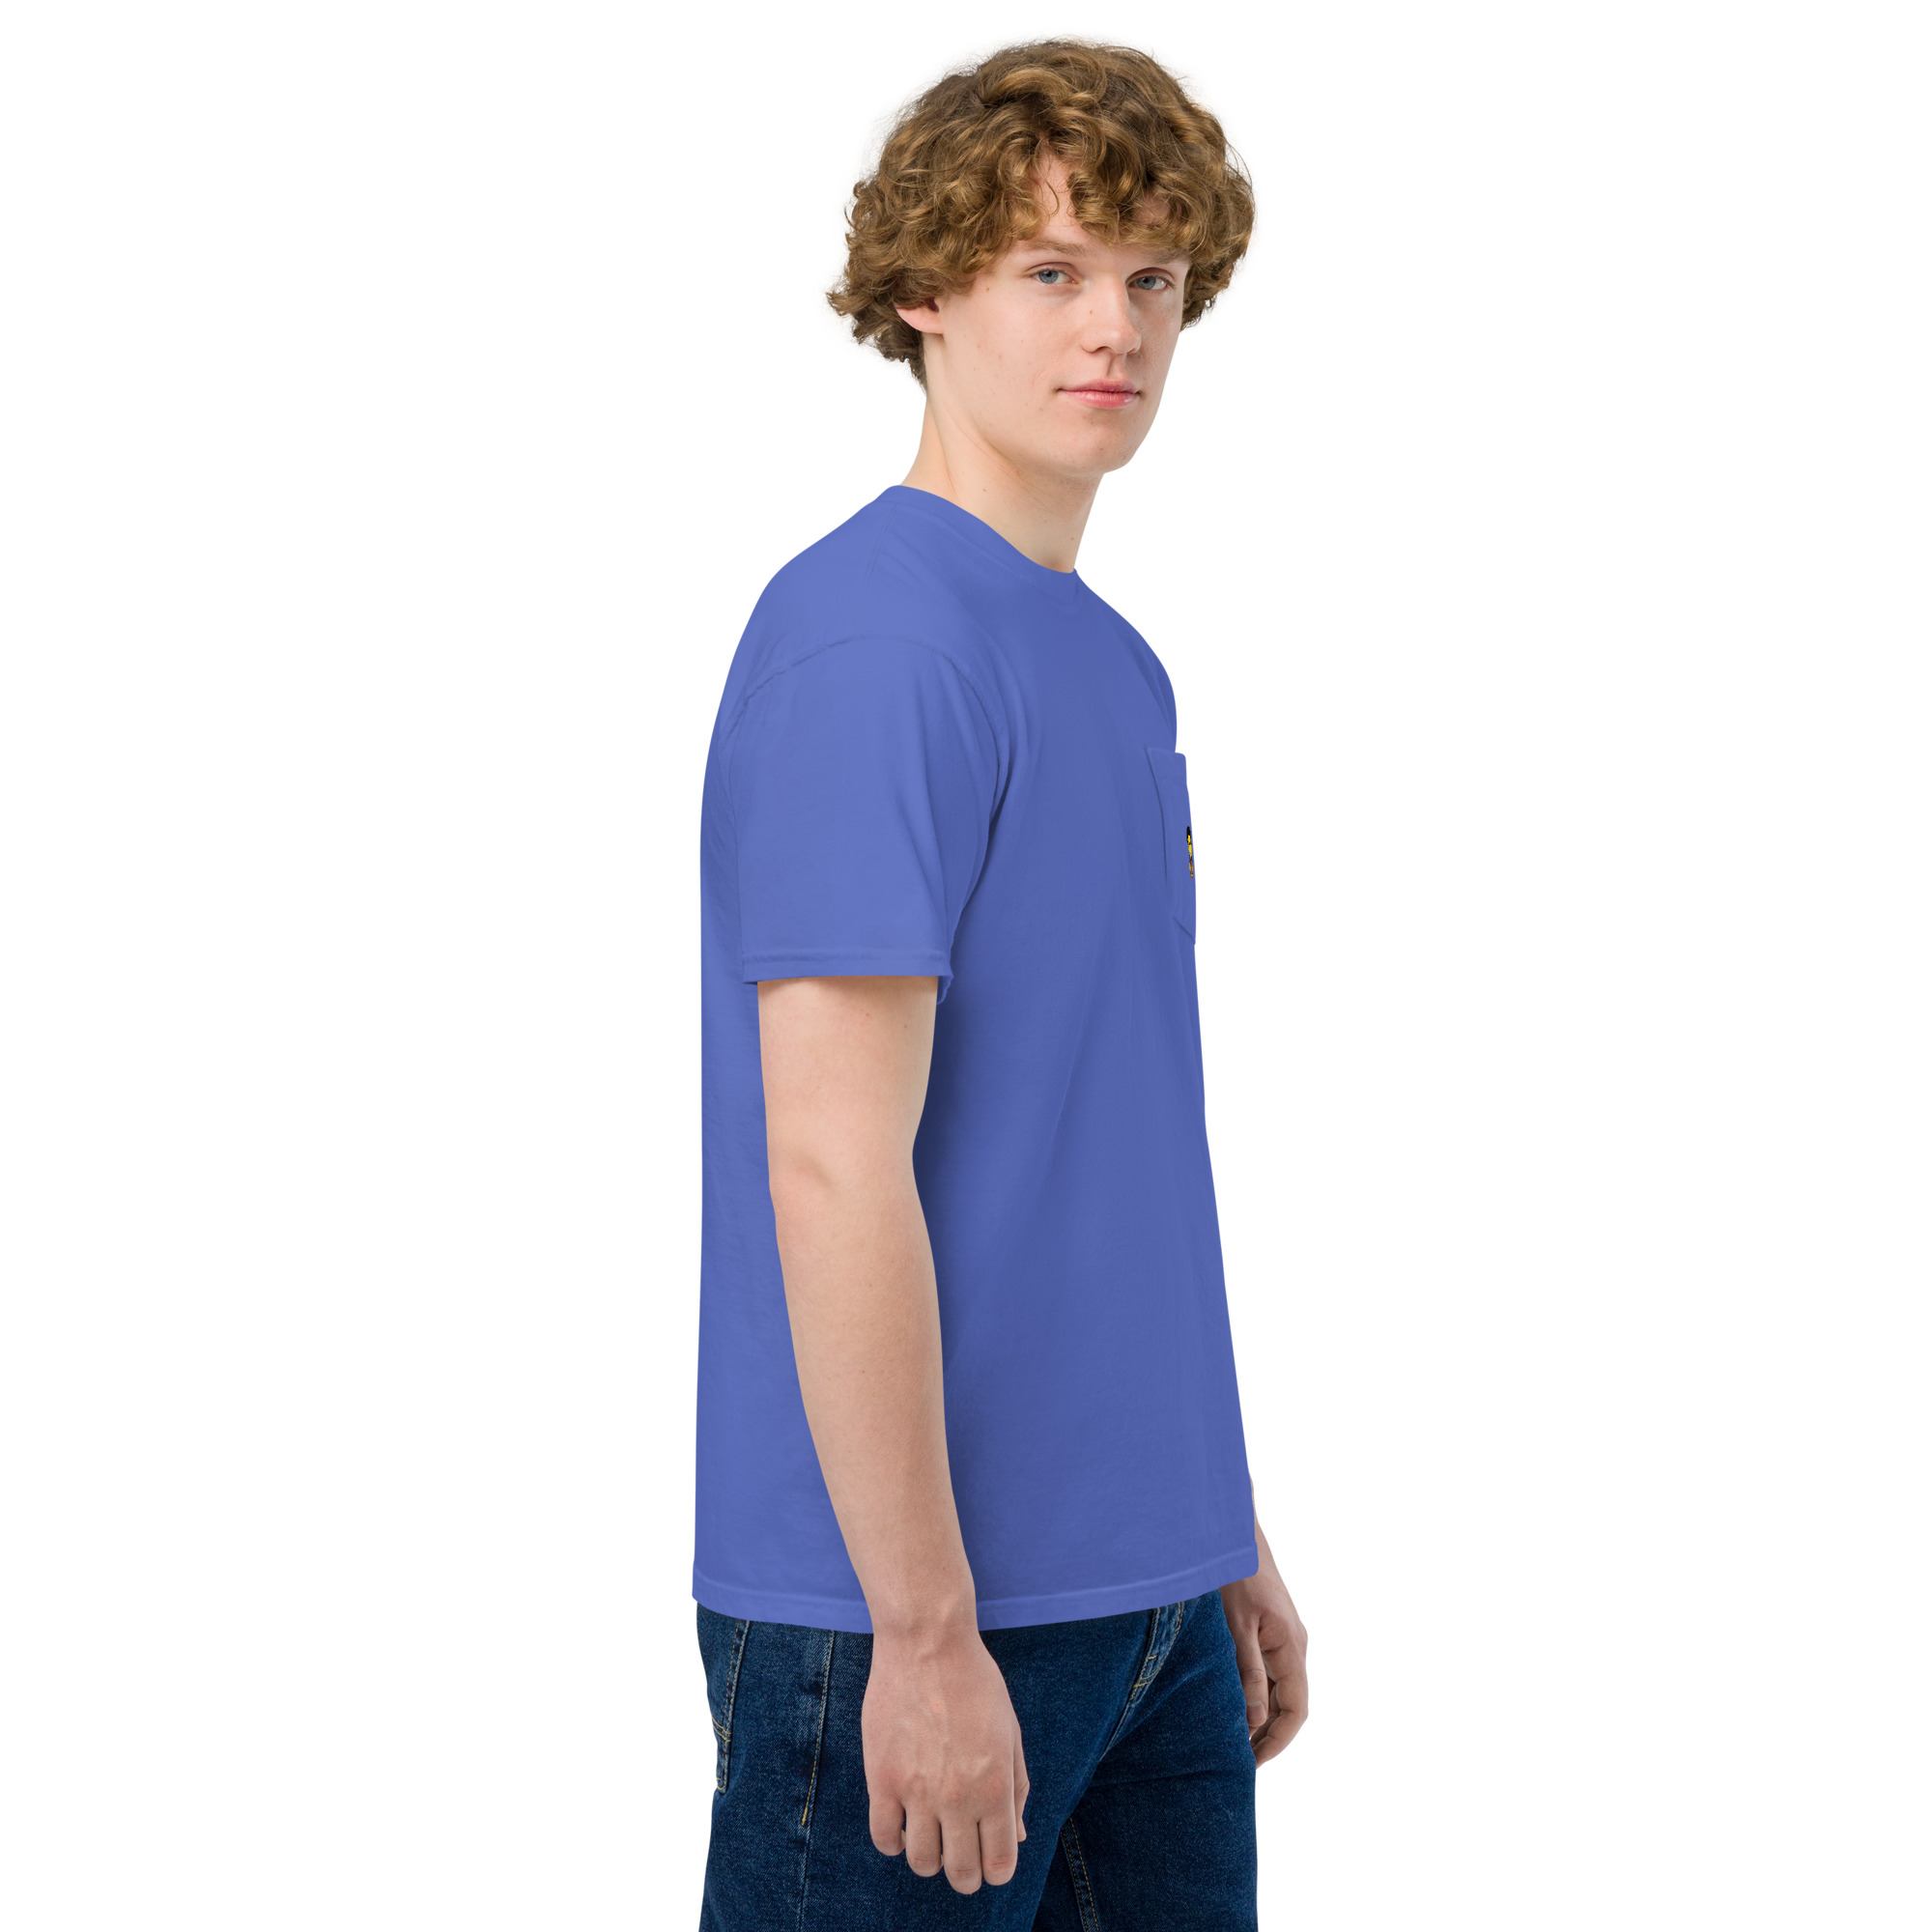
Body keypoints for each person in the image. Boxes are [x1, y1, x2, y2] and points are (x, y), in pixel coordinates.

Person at [693, 41, 1307, 1928]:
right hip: (916, 1612)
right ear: (924, 292)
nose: (1115, 327)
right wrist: (922, 1630)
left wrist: (1212, 1519)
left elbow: (1096, 1139)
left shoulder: (1108, 665)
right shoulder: (877, 647)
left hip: (1150, 1598)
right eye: (1051, 270)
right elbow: (832, 1164)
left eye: (1151, 277)